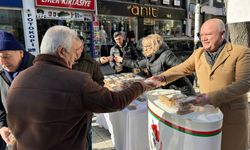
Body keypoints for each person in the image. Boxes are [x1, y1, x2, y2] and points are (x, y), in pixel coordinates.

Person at [6, 26, 152, 150]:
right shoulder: (77, 80)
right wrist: (140, 85)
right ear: (62, 51)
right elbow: (114, 102)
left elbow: (15, 123)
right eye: (75, 51)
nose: (76, 56)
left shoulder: (19, 79)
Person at [148, 18, 250, 150]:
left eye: (208, 34)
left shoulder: (241, 52)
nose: (204, 38)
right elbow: (181, 68)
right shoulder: (199, 53)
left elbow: (244, 84)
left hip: (231, 116)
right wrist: (162, 78)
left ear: (222, 34)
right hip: (207, 116)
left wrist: (210, 97)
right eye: (201, 35)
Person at [115, 34, 195, 96]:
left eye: (147, 46)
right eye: (144, 47)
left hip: (181, 92)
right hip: (167, 91)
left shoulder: (166, 55)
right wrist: (122, 60)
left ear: (154, 46)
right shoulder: (149, 57)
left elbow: (183, 70)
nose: (145, 49)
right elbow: (137, 64)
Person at [0, 31, 35, 149]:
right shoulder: (1, 74)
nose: (2, 62)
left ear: (21, 53)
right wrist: (2, 126)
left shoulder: (37, 70)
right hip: (13, 140)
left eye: (6, 56)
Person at [72, 35, 104, 150]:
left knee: (87, 133)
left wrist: (93, 96)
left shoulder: (91, 63)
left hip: (86, 108)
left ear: (83, 46)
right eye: (73, 48)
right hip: (68, 109)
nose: (77, 51)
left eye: (79, 47)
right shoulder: (63, 62)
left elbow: (99, 80)